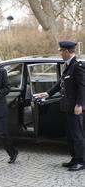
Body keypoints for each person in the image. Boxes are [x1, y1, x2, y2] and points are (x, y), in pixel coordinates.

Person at [37, 41, 85, 171]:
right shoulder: (68, 66)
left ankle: (81, 161)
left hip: (74, 106)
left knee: (77, 134)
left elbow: (82, 87)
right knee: (70, 134)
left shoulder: (77, 66)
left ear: (67, 52)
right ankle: (74, 158)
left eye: (61, 51)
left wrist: (80, 104)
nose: (61, 54)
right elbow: (60, 84)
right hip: (67, 106)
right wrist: (47, 93)